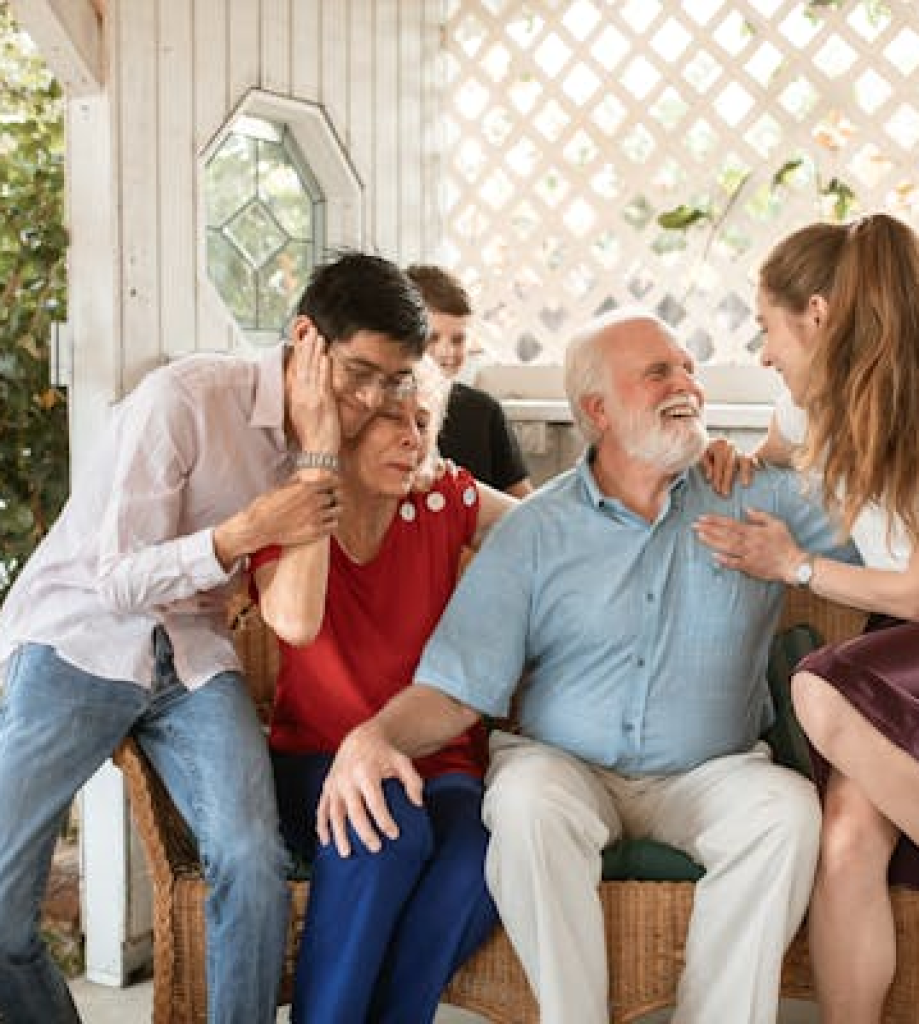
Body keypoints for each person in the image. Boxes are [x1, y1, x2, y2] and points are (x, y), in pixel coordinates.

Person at [308, 309, 857, 1024]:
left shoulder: (758, 497)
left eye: (688, 367)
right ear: (597, 409)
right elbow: (455, 687)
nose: (686, 382)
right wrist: (373, 738)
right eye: (659, 372)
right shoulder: (536, 531)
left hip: (710, 771)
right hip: (564, 765)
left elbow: (889, 533)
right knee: (525, 803)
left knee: (785, 813)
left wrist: (802, 532)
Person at [0, 249, 429, 1024]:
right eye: (359, 374)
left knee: (251, 863)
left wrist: (327, 452)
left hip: (195, 657)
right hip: (78, 638)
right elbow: (115, 581)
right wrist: (239, 535)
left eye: (392, 382)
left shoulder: (334, 441)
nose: (371, 401)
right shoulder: (187, 399)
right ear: (306, 337)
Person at [694, 213, 919, 1024]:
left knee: (821, 690)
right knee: (844, 840)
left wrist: (795, 566)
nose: (765, 353)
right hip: (908, 651)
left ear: (818, 315)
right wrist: (726, 455)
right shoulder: (811, 412)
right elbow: (769, 447)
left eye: (768, 328)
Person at [250, 351, 515, 1024]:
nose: (412, 437)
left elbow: (551, 529)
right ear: (347, 423)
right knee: (384, 825)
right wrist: (320, 483)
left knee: (484, 854)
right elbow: (296, 623)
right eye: (392, 419)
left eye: (423, 421)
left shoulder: (443, 497)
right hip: (316, 758)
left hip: (439, 759)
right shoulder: (291, 511)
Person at [405, 263, 533, 497]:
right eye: (432, 338)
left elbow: (524, 505)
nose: (446, 352)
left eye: (457, 340)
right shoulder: (386, 412)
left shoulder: (484, 412)